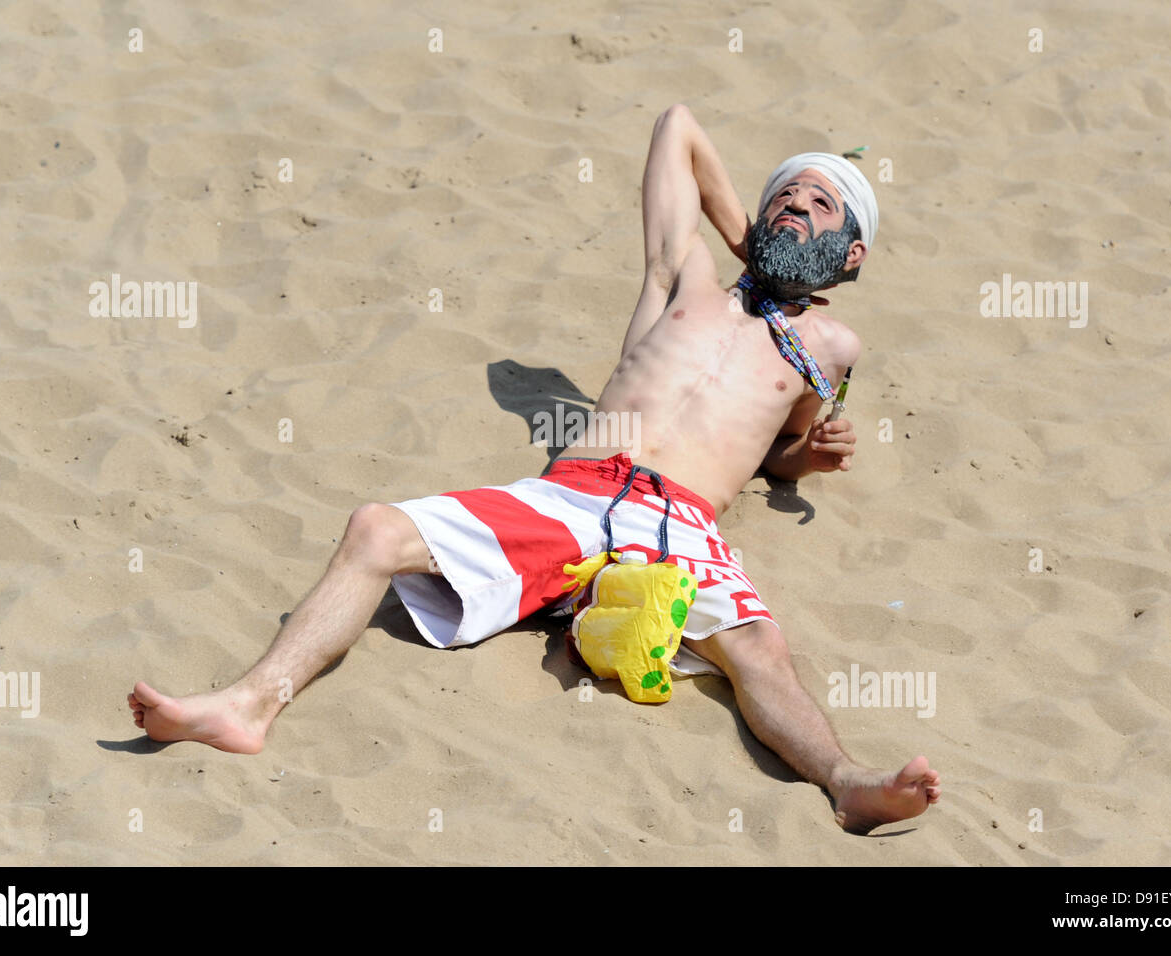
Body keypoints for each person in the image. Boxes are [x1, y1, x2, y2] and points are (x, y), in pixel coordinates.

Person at [129, 104, 940, 834]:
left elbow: (784, 455)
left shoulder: (828, 349)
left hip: (682, 522)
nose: (795, 206)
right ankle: (248, 704)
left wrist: (813, 458)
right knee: (377, 528)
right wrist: (760, 245)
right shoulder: (685, 276)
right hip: (578, 491)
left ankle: (845, 781)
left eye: (819, 205)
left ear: (852, 250)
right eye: (783, 199)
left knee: (759, 650)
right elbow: (677, 127)